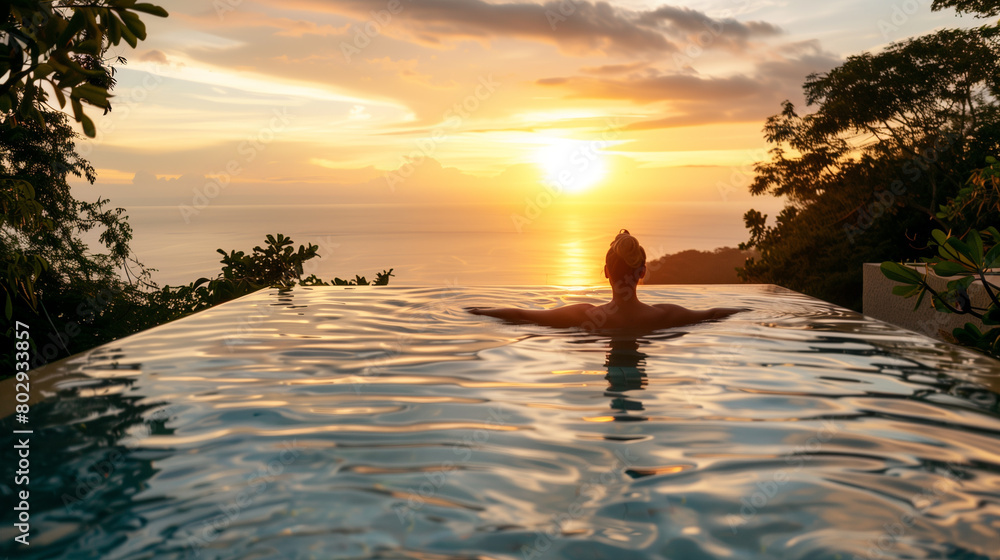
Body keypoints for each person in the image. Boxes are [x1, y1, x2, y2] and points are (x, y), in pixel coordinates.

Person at [467, 229, 745, 331]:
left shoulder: (583, 315)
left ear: (606, 273)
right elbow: (714, 314)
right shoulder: (665, 316)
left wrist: (476, 311)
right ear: (642, 273)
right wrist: (752, 311)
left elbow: (522, 315)